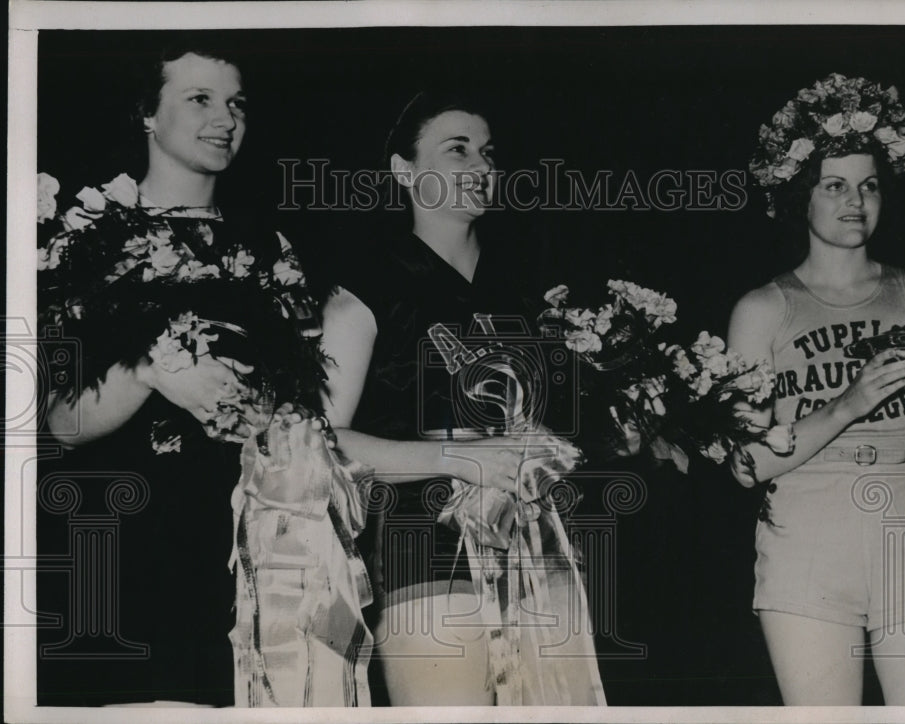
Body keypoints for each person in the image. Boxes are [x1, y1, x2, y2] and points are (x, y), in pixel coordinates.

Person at [38, 41, 371, 707]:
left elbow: (306, 415)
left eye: (236, 104)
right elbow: (60, 425)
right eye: (200, 99)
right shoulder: (85, 239)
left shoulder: (272, 248)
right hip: (121, 544)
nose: (225, 118)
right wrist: (153, 371)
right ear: (147, 114)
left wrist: (271, 415)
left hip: (243, 554)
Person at [320, 91, 605, 705]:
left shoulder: (532, 290)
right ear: (404, 171)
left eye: (488, 152)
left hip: (540, 544)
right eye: (457, 150)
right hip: (426, 547)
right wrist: (454, 458)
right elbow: (322, 441)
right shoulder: (365, 290)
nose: (481, 165)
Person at [727, 73, 905, 705]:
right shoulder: (762, 309)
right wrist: (848, 404)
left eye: (869, 185)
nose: (856, 200)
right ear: (800, 197)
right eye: (834, 185)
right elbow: (746, 463)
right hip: (808, 535)